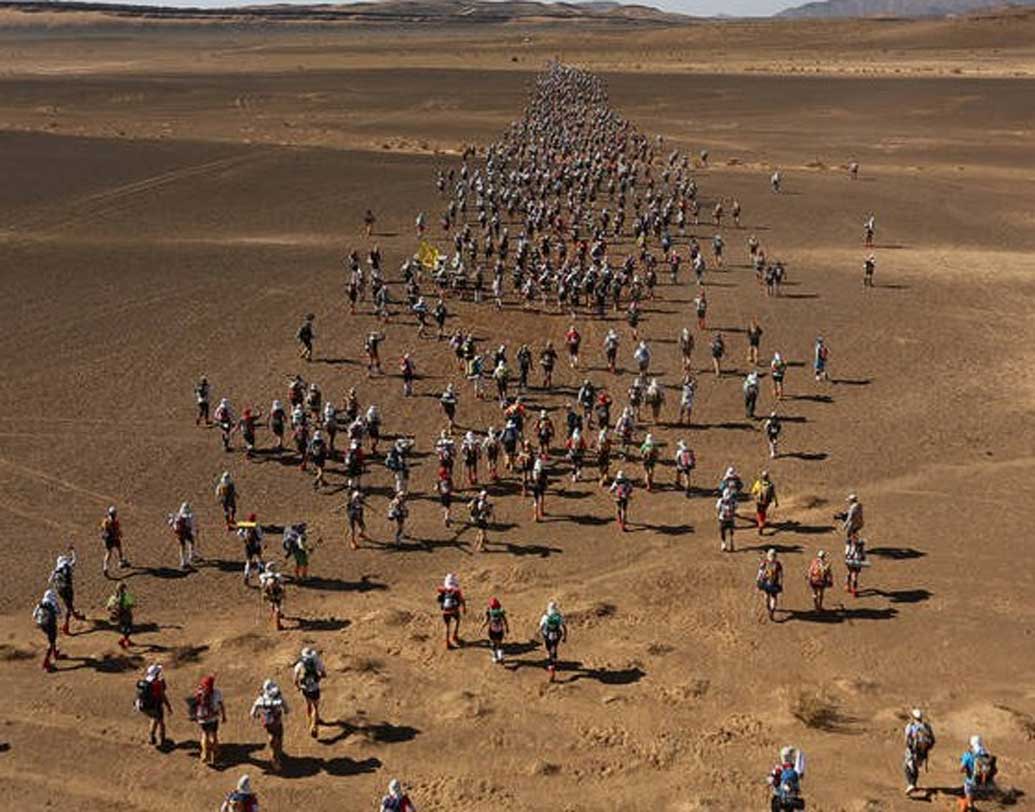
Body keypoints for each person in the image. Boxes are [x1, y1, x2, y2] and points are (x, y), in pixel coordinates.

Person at [250, 679, 288, 772]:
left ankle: (275, 757)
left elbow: (253, 712)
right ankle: (276, 759)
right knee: (278, 736)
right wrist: (286, 710)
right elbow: (286, 707)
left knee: (272, 737)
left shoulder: (261, 699)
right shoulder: (279, 698)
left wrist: (256, 715)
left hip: (268, 724)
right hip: (277, 722)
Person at [49, 546, 85, 635]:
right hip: (68, 588)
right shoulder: (68, 566)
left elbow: (50, 580)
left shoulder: (56, 570)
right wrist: (73, 551)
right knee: (68, 606)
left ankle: (75, 614)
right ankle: (66, 625)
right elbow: (74, 560)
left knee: (68, 603)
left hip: (59, 589)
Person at [193, 674, 227, 766]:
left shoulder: (199, 692)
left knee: (205, 735)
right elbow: (221, 705)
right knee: (214, 736)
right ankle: (215, 755)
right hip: (213, 718)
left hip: (203, 719)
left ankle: (204, 754)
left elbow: (194, 705)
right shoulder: (217, 692)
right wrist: (223, 716)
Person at [136, 663, 172, 747]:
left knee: (153, 718)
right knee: (161, 723)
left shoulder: (144, 682)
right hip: (155, 706)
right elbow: (163, 696)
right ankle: (162, 741)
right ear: (156, 674)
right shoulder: (157, 684)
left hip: (144, 706)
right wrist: (168, 707)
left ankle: (151, 738)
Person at [293, 647, 326, 738]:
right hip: (315, 688)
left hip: (305, 689)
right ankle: (313, 726)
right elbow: (323, 674)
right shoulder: (317, 662)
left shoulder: (300, 664)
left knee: (308, 705)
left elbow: (295, 679)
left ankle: (311, 722)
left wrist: (298, 687)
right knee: (315, 706)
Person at [903, 708, 936, 795]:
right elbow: (933, 740)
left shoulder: (910, 726)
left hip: (913, 750)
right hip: (923, 752)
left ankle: (911, 784)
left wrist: (908, 747)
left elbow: (906, 739)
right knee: (915, 767)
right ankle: (913, 784)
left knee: (907, 766)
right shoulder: (926, 726)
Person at [960, 735, 997, 810]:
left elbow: (961, 769)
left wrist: (967, 770)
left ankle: (968, 805)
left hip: (971, 783)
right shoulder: (986, 755)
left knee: (965, 801)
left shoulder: (967, 755)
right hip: (985, 783)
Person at [768, 746, 805, 812]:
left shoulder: (794, 770)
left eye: (788, 756)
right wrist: (774, 780)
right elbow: (771, 778)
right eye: (786, 756)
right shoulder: (780, 769)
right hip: (780, 794)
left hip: (790, 795)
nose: (787, 758)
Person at [33, 589, 62, 672]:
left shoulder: (40, 603)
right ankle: (45, 663)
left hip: (42, 625)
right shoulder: (53, 603)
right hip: (50, 625)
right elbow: (59, 614)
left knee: (51, 638)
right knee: (51, 642)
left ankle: (55, 652)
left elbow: (34, 615)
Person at [538, 601, 567, 682]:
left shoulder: (546, 616)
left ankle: (551, 667)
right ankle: (554, 660)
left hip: (547, 635)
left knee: (548, 650)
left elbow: (541, 627)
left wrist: (541, 635)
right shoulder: (558, 616)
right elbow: (564, 627)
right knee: (554, 648)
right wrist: (565, 636)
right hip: (557, 635)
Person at [437, 573, 466, 649]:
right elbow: (462, 600)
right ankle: (455, 636)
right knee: (457, 620)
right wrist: (464, 608)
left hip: (445, 611)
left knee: (447, 626)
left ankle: (447, 643)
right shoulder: (456, 591)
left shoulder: (444, 590)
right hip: (454, 610)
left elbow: (439, 600)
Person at [169, 501, 199, 571]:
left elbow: (170, 522)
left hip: (179, 534)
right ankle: (191, 556)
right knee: (191, 542)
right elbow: (192, 525)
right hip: (186, 532)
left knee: (182, 547)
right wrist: (195, 532)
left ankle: (183, 562)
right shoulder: (190, 516)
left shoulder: (177, 515)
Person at [100, 505, 129, 576]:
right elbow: (118, 530)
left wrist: (103, 538)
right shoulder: (115, 521)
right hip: (115, 538)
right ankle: (121, 562)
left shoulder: (105, 521)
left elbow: (102, 530)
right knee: (119, 549)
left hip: (107, 540)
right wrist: (120, 534)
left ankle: (105, 567)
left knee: (108, 553)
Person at [106, 581, 135, 648]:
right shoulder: (127, 596)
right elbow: (132, 604)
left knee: (123, 627)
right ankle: (125, 640)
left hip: (119, 615)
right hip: (127, 615)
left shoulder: (113, 597)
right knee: (129, 627)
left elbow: (108, 607)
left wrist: (114, 611)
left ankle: (124, 639)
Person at [481, 597, 510, 664]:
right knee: (499, 644)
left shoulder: (489, 611)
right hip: (500, 631)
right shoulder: (501, 612)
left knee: (493, 643)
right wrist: (507, 628)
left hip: (492, 631)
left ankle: (495, 657)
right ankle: (501, 656)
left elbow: (486, 621)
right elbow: (505, 621)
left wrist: (482, 627)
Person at [238, 513, 264, 586]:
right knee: (259, 559)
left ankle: (246, 575)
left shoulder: (245, 526)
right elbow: (260, 536)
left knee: (248, 562)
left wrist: (244, 539)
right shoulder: (256, 526)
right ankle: (261, 577)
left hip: (248, 546)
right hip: (256, 545)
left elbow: (239, 533)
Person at [258, 563, 285, 631]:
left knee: (272, 602)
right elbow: (282, 583)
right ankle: (278, 618)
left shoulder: (263, 575)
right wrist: (284, 593)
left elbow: (262, 584)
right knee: (278, 605)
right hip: (277, 592)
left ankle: (275, 613)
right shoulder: (278, 575)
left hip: (268, 592)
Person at [751, 471, 778, 535]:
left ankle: (760, 523)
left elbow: (753, 492)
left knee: (759, 512)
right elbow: (773, 494)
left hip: (759, 501)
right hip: (766, 502)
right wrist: (776, 502)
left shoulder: (759, 483)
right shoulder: (770, 485)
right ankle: (761, 522)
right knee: (763, 512)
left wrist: (754, 496)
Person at [716, 487, 737, 552]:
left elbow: (735, 507)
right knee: (723, 531)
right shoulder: (721, 501)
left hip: (728, 518)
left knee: (730, 531)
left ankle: (731, 543)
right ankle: (724, 543)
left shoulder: (733, 501)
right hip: (724, 518)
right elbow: (718, 509)